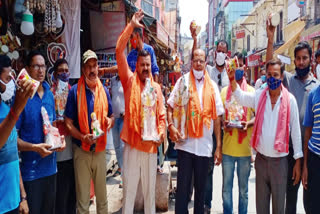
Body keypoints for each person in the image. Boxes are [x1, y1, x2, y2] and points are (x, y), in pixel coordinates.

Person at [227, 59, 303, 214]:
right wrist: (231, 80)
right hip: (261, 161)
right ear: (265, 76)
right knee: (261, 207)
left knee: (278, 208)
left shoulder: (290, 101)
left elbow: (295, 132)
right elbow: (241, 97)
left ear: (282, 77)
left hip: (280, 163)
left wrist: (298, 161)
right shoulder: (260, 95)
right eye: (269, 75)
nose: (272, 78)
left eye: (276, 75)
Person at [265, 19, 319, 214]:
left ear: (311, 60)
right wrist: (271, 39)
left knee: (310, 200)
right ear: (294, 60)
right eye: (298, 58)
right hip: (289, 151)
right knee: (290, 198)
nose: (301, 62)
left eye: (305, 58)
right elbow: (271, 66)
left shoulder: (316, 87)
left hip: (311, 153)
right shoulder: (287, 79)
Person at [115, 9, 166, 214]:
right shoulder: (129, 82)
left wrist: (161, 133)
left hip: (151, 147)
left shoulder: (156, 89)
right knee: (129, 192)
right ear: (136, 65)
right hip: (133, 147)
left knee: (149, 195)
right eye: (142, 65)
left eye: (147, 65)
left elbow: (161, 116)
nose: (145, 68)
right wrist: (131, 26)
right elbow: (119, 51)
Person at [167, 48, 224, 213]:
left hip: (205, 148)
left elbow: (217, 118)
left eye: (201, 60)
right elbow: (170, 105)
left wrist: (218, 147)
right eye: (196, 60)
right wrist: (171, 126)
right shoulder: (183, 82)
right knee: (183, 192)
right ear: (191, 62)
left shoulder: (213, 86)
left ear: (206, 63)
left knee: (201, 192)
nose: (198, 64)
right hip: (186, 145)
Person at [64, 50, 114, 214]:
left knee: (102, 200)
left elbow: (111, 116)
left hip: (100, 151)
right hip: (82, 151)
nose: (92, 70)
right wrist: (82, 137)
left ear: (98, 67)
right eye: (88, 67)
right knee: (83, 202)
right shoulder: (75, 92)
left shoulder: (104, 91)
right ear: (83, 69)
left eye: (95, 66)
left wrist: (110, 121)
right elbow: (68, 123)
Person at [16, 51, 66, 214]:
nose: (40, 70)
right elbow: (12, 141)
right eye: (36, 66)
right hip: (31, 173)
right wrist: (35, 148)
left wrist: (59, 141)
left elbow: (51, 128)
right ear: (28, 69)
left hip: (51, 170)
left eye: (43, 66)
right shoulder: (22, 97)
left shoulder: (49, 94)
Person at [0, 55, 34, 214]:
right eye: (7, 79)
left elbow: (12, 150)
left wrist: (23, 197)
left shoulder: (6, 108)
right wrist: (17, 109)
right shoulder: (11, 111)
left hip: (13, 200)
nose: (11, 84)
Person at [220, 60, 255, 214]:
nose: (237, 69)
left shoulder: (252, 92)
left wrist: (248, 123)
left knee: (243, 191)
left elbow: (257, 116)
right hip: (228, 149)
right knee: (226, 190)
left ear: (244, 68)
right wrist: (224, 124)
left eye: (239, 66)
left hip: (245, 151)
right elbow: (220, 117)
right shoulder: (224, 91)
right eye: (234, 67)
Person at [50, 59, 76, 214]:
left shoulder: (72, 90)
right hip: (60, 142)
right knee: (62, 186)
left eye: (66, 70)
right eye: (61, 70)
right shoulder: (51, 93)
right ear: (55, 74)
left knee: (73, 186)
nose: (64, 73)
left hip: (73, 142)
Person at [302, 83, 320, 214]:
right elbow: (307, 132)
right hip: (314, 159)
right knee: (312, 206)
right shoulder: (313, 95)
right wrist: (305, 167)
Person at [110, 74, 125, 183]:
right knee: (116, 144)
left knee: (122, 145)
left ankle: (124, 174)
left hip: (123, 117)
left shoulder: (126, 79)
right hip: (114, 117)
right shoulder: (113, 80)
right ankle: (120, 167)